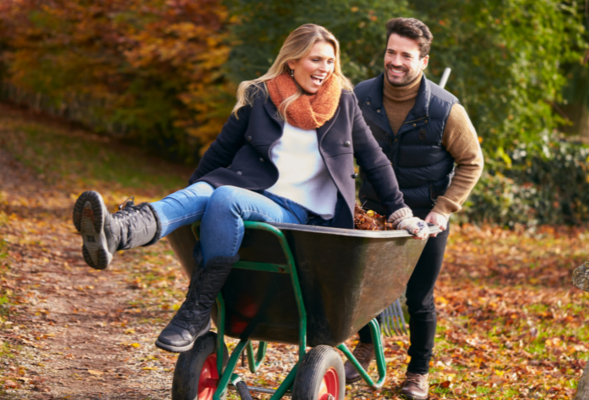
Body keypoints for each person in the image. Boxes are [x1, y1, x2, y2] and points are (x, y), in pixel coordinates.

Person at [72, 24, 430, 355]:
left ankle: (195, 310)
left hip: (296, 212)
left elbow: (375, 161)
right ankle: (118, 231)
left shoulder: (343, 103)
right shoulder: (261, 96)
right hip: (248, 190)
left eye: (330, 61)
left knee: (224, 197)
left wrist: (401, 213)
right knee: (207, 192)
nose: (325, 68)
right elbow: (219, 153)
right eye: (316, 59)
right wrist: (192, 205)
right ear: (293, 61)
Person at [344, 17, 484, 399]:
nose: (396, 61)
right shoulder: (362, 96)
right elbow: (341, 149)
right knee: (363, 288)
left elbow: (472, 161)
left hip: (425, 217)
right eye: (391, 52)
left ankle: (417, 372)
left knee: (419, 298)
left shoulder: (444, 108)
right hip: (373, 211)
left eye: (406, 55)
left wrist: (444, 208)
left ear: (423, 60)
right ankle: (366, 347)